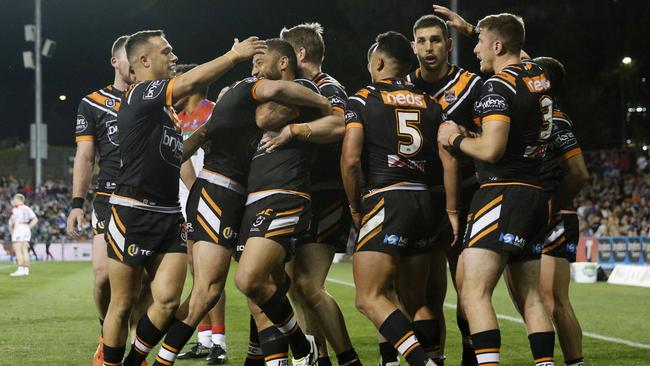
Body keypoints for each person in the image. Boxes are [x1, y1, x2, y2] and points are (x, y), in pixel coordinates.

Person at [101, 30, 266, 366]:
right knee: (123, 302)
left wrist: (205, 132)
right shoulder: (140, 94)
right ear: (144, 61)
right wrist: (234, 56)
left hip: (168, 213)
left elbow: (174, 158)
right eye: (167, 51)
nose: (173, 57)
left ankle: (133, 361)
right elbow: (190, 83)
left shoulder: (167, 112)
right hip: (131, 211)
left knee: (167, 300)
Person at [437, 13, 556, 365]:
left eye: (480, 43)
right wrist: (475, 29)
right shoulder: (538, 76)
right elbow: (518, 50)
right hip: (535, 194)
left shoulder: (497, 85)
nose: (475, 50)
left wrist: (455, 138)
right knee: (531, 296)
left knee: (473, 293)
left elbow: (491, 150)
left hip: (502, 191)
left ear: (498, 46)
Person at [341, 31, 458, 366]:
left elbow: (350, 160)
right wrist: (450, 209)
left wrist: (354, 205)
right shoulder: (432, 103)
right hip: (425, 203)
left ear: (378, 62)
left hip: (387, 199)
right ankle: (434, 355)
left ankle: (423, 362)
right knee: (416, 300)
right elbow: (447, 156)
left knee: (368, 297)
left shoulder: (363, 98)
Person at [234, 38, 339, 366]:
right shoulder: (267, 89)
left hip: (284, 192)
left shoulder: (301, 87)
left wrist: (293, 128)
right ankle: (276, 359)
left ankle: (304, 348)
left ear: (283, 63)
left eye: (260, 61)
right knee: (264, 287)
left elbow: (266, 118)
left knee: (250, 279)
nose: (255, 68)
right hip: (254, 197)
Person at [277, 22, 362, 366]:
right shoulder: (301, 88)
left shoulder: (328, 86)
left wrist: (296, 130)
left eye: (285, 53)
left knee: (309, 284)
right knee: (297, 286)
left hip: (325, 195)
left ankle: (348, 358)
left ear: (299, 53)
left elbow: (340, 125)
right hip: (304, 194)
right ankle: (317, 359)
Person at [405, 14, 484, 366]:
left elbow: (491, 137)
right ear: (413, 46)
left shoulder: (472, 84)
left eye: (436, 40)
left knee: (468, 289)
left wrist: (460, 136)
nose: (429, 48)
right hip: (420, 198)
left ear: (449, 44)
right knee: (424, 294)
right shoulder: (402, 86)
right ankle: (434, 357)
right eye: (421, 41)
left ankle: (471, 355)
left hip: (466, 195)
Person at [508, 56, 588, 366]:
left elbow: (579, 173)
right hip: (528, 212)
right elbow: (513, 53)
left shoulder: (556, 119)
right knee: (528, 299)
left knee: (554, 301)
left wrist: (556, 204)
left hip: (554, 217)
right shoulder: (534, 117)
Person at [65, 35, 134, 366]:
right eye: (129, 58)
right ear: (115, 62)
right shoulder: (92, 103)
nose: (136, 64)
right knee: (103, 276)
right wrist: (77, 203)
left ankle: (134, 348)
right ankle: (105, 334)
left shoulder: (156, 99)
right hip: (108, 197)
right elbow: (85, 155)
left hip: (148, 197)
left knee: (143, 285)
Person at [168, 63, 229, 365]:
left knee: (209, 274)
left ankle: (219, 341)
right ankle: (204, 339)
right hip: (183, 200)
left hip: (208, 198)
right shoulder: (175, 117)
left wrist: (197, 196)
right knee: (196, 272)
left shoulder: (215, 112)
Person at [9, 194, 38, 277]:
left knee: (17, 249)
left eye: (15, 199)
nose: (14, 201)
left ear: (18, 200)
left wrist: (13, 229)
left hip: (19, 228)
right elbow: (35, 219)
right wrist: (29, 227)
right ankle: (26, 270)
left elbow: (14, 219)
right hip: (26, 228)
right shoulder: (27, 208)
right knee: (25, 249)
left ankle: (20, 269)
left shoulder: (16, 208)